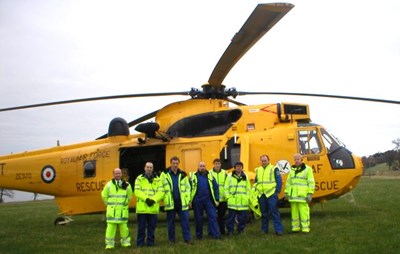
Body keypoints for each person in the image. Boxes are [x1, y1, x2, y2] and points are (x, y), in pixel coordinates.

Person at [161, 156, 192, 244]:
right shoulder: (164, 174)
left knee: (185, 222)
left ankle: (187, 239)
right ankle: (171, 240)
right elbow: (161, 187)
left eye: (176, 163)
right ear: (170, 163)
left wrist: (188, 199)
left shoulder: (183, 174)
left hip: (182, 202)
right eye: (173, 163)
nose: (175, 165)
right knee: (171, 223)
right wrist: (163, 198)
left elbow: (188, 188)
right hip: (170, 202)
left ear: (179, 164)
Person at [101, 168, 133, 249]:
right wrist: (108, 204)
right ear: (113, 174)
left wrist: (125, 204)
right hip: (112, 212)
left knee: (124, 229)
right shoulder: (108, 185)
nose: (118, 175)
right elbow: (104, 195)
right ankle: (109, 244)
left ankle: (126, 243)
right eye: (116, 173)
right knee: (110, 229)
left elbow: (130, 196)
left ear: (121, 174)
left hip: (122, 211)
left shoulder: (127, 185)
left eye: (119, 173)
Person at [134, 162, 164, 247]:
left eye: (151, 167)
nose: (149, 169)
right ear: (144, 168)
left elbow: (161, 192)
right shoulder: (139, 179)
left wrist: (153, 200)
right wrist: (146, 199)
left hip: (153, 208)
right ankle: (140, 243)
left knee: (152, 227)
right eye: (147, 167)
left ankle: (150, 242)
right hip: (142, 208)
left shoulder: (158, 179)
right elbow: (137, 191)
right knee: (141, 227)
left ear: (153, 168)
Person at [284, 153, 315, 233]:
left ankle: (305, 228)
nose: (296, 161)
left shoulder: (307, 169)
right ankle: (295, 228)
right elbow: (288, 182)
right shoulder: (292, 170)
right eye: (295, 159)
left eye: (298, 159)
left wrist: (310, 194)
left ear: (302, 160)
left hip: (302, 196)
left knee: (304, 212)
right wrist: (286, 193)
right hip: (293, 196)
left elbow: (311, 182)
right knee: (294, 213)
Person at [254, 154, 284, 235]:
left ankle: (278, 230)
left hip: (271, 194)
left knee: (274, 212)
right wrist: (256, 190)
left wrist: (277, 191)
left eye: (265, 160)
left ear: (268, 160)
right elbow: (256, 181)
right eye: (262, 161)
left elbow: (279, 181)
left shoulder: (274, 168)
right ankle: (264, 230)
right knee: (264, 213)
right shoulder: (258, 170)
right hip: (262, 194)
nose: (263, 162)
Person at [190, 161, 220, 240]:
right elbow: (188, 189)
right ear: (198, 167)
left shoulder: (210, 175)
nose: (202, 167)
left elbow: (216, 187)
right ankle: (199, 235)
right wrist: (189, 201)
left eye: (203, 166)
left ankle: (215, 235)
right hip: (197, 200)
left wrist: (217, 199)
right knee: (198, 219)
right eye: (201, 166)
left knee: (213, 216)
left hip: (209, 200)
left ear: (205, 167)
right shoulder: (193, 176)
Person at [224, 161, 251, 235]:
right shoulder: (229, 176)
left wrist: (247, 198)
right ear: (235, 168)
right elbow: (226, 188)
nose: (239, 168)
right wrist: (228, 198)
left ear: (242, 168)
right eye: (237, 166)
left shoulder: (245, 177)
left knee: (242, 218)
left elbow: (248, 189)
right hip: (233, 201)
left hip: (243, 202)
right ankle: (230, 231)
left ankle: (240, 230)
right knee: (231, 218)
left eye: (240, 166)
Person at [209, 158, 228, 235]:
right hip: (213, 199)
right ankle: (211, 232)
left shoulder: (225, 173)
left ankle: (222, 231)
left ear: (221, 164)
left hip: (223, 199)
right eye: (216, 163)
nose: (217, 165)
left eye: (219, 163)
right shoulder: (209, 173)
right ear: (213, 164)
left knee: (221, 216)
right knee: (212, 216)